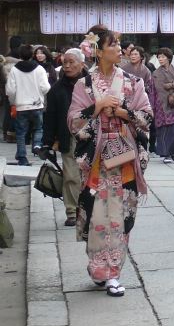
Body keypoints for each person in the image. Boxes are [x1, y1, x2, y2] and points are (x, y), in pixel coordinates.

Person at [67, 27, 152, 296]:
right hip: (95, 161)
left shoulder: (132, 81)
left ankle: (114, 271)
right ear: (98, 51)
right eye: (113, 45)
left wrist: (124, 113)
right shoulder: (84, 84)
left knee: (121, 214)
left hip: (124, 158)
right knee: (97, 215)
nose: (120, 48)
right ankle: (98, 266)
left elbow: (147, 116)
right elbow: (74, 122)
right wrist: (98, 105)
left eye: (118, 44)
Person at [42, 47, 86, 225]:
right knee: (71, 175)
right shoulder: (56, 90)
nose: (67, 66)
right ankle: (72, 212)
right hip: (69, 137)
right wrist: (47, 142)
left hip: (93, 136)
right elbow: (50, 117)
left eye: (71, 62)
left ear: (82, 64)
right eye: (64, 62)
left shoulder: (93, 84)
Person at [6, 44, 50, 166]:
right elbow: (46, 88)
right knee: (38, 128)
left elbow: (10, 90)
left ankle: (22, 158)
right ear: (32, 55)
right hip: (37, 106)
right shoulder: (40, 69)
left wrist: (13, 102)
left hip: (21, 106)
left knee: (21, 133)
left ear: (20, 55)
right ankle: (36, 144)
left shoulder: (15, 69)